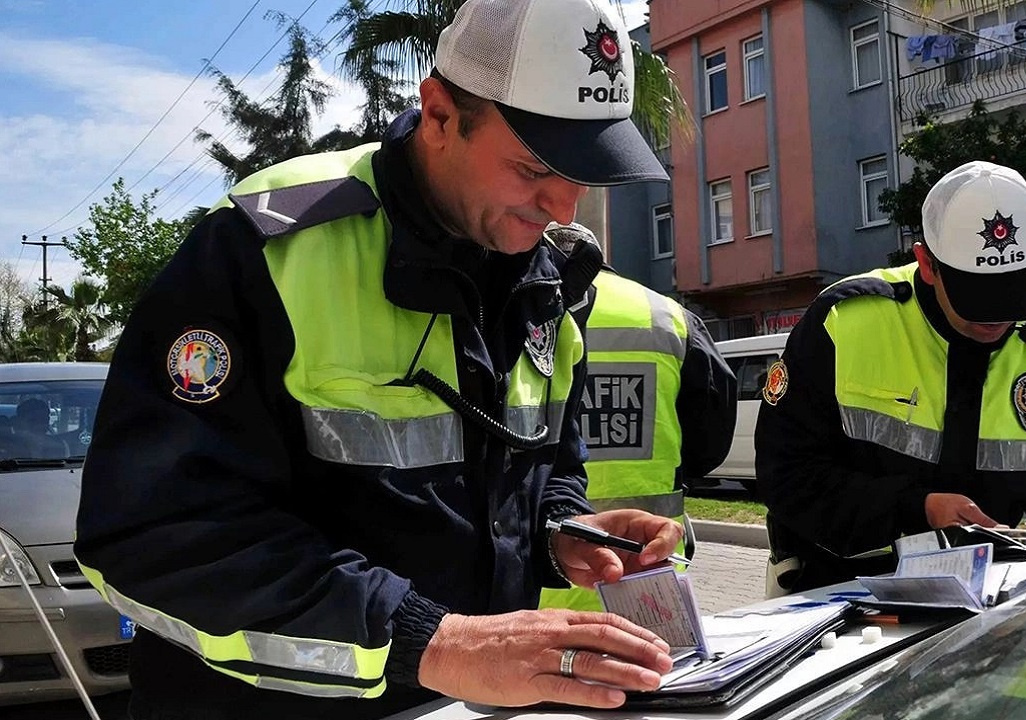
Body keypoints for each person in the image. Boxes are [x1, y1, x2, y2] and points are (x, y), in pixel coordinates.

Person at [73, 1, 686, 718]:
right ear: (438, 115)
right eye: (533, 167)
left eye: (586, 173)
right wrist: (435, 643)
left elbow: (544, 463)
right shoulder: (267, 250)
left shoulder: (546, 277)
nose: (561, 205)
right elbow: (154, 536)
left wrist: (561, 531)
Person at [756, 161, 1026, 594]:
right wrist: (917, 508)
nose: (999, 317)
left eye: (1016, 292)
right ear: (927, 263)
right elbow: (786, 477)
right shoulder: (844, 323)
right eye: (980, 297)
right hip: (838, 590)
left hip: (990, 601)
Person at [538, 223, 737, 612]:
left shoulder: (514, 311)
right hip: (645, 579)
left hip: (539, 587)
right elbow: (710, 444)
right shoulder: (668, 316)